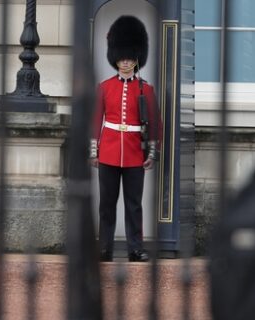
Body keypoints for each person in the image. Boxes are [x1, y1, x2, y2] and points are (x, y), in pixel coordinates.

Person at [90, 16, 161, 262]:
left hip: (133, 154)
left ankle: (135, 248)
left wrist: (151, 153)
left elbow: (155, 124)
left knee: (134, 206)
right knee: (107, 206)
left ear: (137, 58)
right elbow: (95, 120)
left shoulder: (146, 90)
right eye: (122, 58)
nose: (126, 62)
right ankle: (104, 247)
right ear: (115, 57)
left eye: (130, 58)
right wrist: (93, 150)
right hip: (108, 151)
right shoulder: (105, 87)